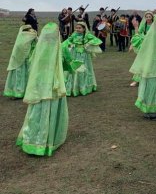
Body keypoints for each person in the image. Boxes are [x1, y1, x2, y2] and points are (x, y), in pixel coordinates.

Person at [16, 22, 68, 156]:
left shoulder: (39, 50)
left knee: (37, 114)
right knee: (46, 111)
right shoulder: (58, 48)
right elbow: (65, 63)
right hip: (52, 88)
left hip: (40, 88)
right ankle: (45, 140)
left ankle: (34, 140)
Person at [62, 22, 102, 96]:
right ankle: (73, 88)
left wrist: (88, 44)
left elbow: (97, 40)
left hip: (84, 55)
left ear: (84, 29)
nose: (77, 29)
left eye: (79, 28)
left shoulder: (87, 35)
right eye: (76, 28)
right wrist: (62, 45)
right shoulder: (74, 35)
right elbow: (67, 41)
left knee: (84, 70)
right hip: (74, 54)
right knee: (74, 70)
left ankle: (84, 87)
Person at [3, 25, 38, 99]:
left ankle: (19, 92)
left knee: (19, 76)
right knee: (22, 75)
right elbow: (36, 43)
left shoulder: (21, 36)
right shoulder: (30, 35)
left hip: (19, 59)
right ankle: (21, 92)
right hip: (24, 59)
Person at [129, 11, 154, 87]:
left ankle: (150, 79)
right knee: (141, 61)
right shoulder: (144, 25)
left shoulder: (154, 25)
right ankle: (137, 80)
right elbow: (138, 34)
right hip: (144, 45)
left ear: (152, 18)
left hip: (152, 45)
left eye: (150, 17)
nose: (148, 18)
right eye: (147, 17)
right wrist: (132, 44)